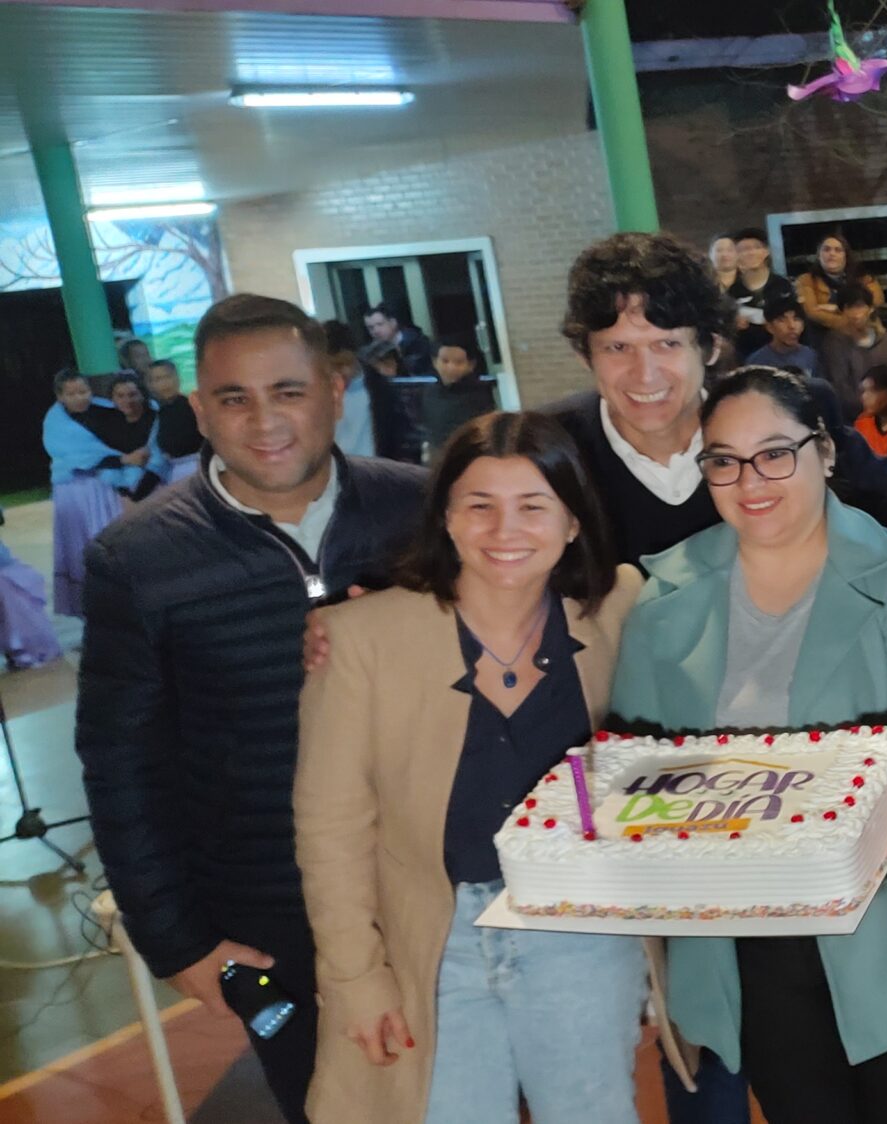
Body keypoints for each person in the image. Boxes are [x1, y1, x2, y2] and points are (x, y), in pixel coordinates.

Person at [77, 294, 429, 1124]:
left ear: (337, 391)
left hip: (434, 891)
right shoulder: (138, 559)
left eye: (289, 391)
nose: (263, 420)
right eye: (233, 398)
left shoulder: (423, 512)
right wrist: (178, 941)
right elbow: (121, 765)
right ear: (199, 410)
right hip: (271, 916)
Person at [621, 368, 887, 1124]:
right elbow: (638, 766)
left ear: (823, 453)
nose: (750, 481)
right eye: (724, 460)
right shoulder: (667, 594)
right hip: (746, 937)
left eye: (774, 454)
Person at [295, 411, 644, 1123]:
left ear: (573, 522)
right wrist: (356, 977)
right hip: (433, 939)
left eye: (533, 506)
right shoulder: (360, 639)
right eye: (478, 505)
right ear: (446, 519)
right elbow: (330, 829)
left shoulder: (618, 612)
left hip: (579, 930)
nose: (504, 530)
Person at [541, 232, 730, 565]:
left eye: (667, 344)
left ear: (710, 347)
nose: (645, 374)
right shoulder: (544, 450)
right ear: (585, 356)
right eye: (618, 348)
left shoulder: (771, 438)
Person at [43, 372, 144, 614]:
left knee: (114, 541)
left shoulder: (106, 412)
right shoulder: (54, 423)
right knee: (84, 547)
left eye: (83, 392)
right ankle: (95, 610)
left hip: (106, 487)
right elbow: (75, 454)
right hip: (75, 491)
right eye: (72, 393)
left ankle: (128, 603)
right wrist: (121, 459)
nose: (79, 398)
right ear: (60, 396)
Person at [328, 320, 421, 463]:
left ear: (355, 354)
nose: (342, 372)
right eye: (333, 366)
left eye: (345, 363)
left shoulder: (380, 387)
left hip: (377, 472)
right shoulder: (319, 393)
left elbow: (401, 436)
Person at [795, 231, 887, 351]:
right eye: (826, 249)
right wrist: (852, 321)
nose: (831, 254)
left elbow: (876, 301)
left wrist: (835, 308)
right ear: (819, 255)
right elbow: (812, 312)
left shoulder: (863, 278)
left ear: (846, 256)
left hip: (862, 340)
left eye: (838, 250)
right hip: (823, 342)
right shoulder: (806, 280)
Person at [419, 334, 499, 462]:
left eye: (459, 362)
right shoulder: (430, 392)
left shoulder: (480, 395)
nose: (451, 367)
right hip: (437, 460)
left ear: (471, 365)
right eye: (445, 361)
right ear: (434, 362)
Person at [725, 229, 798, 356]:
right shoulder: (733, 291)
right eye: (743, 249)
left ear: (766, 252)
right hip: (747, 354)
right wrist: (734, 323)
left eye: (756, 247)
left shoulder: (784, 286)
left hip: (785, 353)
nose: (751, 253)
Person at [145, 359, 202, 478]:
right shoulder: (157, 415)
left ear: (177, 378)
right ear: (150, 385)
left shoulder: (196, 406)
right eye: (158, 379)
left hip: (201, 467)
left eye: (167, 377)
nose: (164, 383)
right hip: (176, 473)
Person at [743, 300, 821, 377]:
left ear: (803, 326)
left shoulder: (811, 356)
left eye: (796, 319)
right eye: (782, 320)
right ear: (769, 327)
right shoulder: (756, 361)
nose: (791, 326)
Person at [364, 302, 437, 376]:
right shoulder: (373, 350)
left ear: (393, 323)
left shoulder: (418, 343)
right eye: (370, 328)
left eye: (380, 324)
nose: (375, 331)